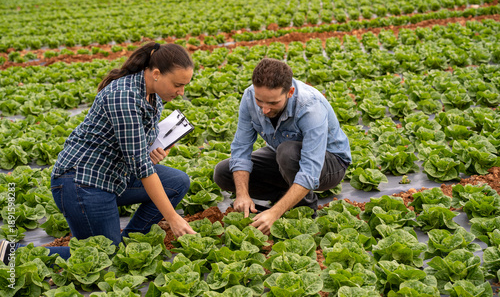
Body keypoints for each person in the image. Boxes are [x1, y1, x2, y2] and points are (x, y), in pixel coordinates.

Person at [1, 42, 196, 264]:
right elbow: (142, 169)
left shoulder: (153, 96)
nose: (181, 92)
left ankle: (128, 240)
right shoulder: (125, 97)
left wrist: (153, 151)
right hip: (81, 182)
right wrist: (172, 218)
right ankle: (14, 252)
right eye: (178, 85)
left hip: (114, 175)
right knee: (103, 255)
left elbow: (137, 152)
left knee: (177, 182)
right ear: (156, 74)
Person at [213, 58, 351, 235]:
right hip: (282, 157)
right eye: (260, 101)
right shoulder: (249, 97)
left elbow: (310, 171)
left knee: (288, 153)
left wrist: (274, 213)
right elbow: (241, 149)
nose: (264, 109)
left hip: (330, 163)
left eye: (273, 103)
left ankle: (305, 212)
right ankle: (285, 198)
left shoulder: (310, 107)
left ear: (290, 92)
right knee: (224, 172)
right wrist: (242, 195)